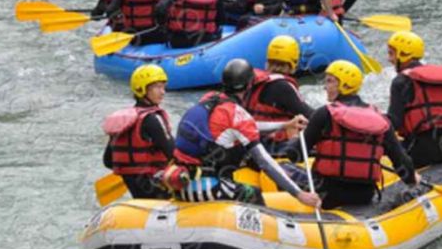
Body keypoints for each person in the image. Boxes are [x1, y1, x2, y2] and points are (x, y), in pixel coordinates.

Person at [170, 59, 320, 206]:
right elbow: (265, 162)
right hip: (206, 188)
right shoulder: (237, 114)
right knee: (253, 194)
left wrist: (284, 125)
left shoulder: (209, 99)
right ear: (249, 86)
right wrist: (299, 194)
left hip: (181, 183)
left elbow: (243, 127)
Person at [299, 60, 418, 209]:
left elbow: (296, 153)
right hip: (364, 195)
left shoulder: (324, 114)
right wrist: (412, 180)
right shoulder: (381, 119)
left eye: (329, 81)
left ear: (344, 85)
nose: (325, 87)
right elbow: (401, 160)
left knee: (289, 169)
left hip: (327, 194)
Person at [385, 31, 442, 168]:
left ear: (403, 54)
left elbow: (394, 124)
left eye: (391, 53)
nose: (389, 59)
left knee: (385, 147)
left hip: (419, 154)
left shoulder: (400, 82)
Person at [102, 64, 174, 199]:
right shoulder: (153, 119)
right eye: (157, 87)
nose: (163, 92)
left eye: (163, 87)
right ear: (142, 89)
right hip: (158, 189)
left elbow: (108, 161)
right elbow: (174, 153)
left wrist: (132, 171)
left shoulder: (123, 120)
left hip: (136, 189)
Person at [246, 35, 314, 148]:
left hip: (252, 140)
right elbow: (310, 115)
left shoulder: (253, 79)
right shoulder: (283, 87)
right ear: (294, 62)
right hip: (274, 145)